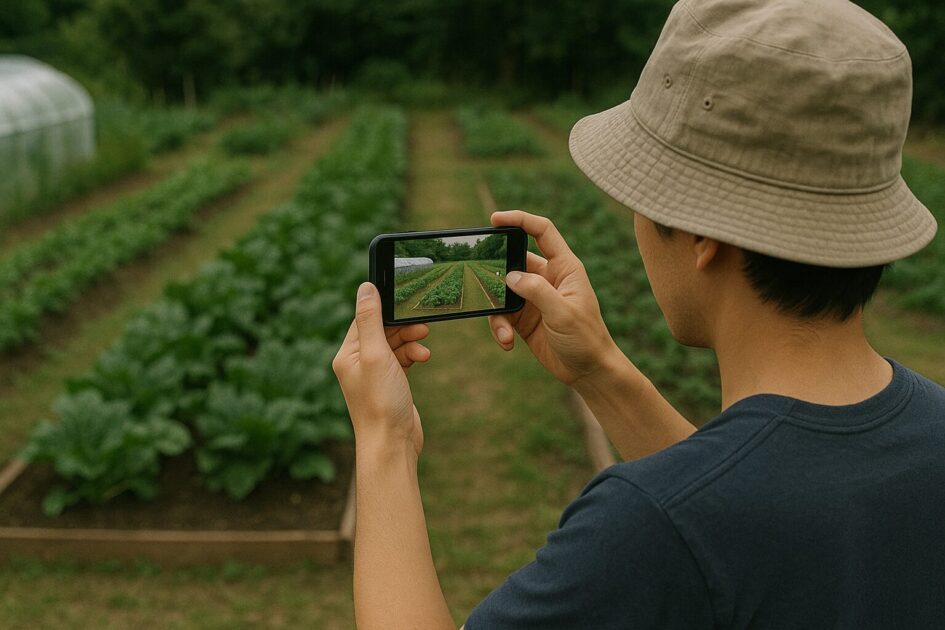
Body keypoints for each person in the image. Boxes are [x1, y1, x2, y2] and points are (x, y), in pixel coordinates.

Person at [332, 0, 944, 627]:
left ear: (703, 237)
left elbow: (709, 519)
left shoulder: (646, 528)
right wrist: (600, 370)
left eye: (644, 196)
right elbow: (751, 514)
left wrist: (386, 439)